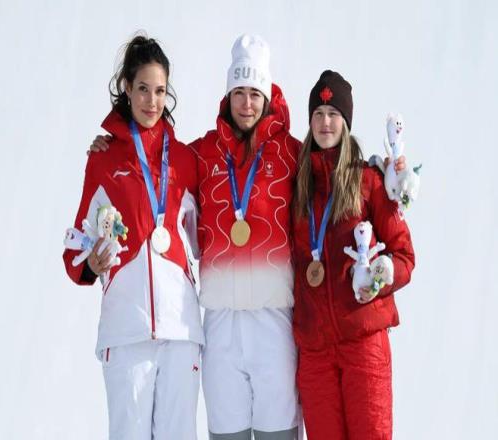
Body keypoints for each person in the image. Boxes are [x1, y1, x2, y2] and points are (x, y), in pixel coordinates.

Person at [63, 35, 204, 440]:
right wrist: (91, 265)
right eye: (143, 88)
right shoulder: (104, 158)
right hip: (126, 331)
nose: (152, 101)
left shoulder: (185, 160)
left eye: (160, 91)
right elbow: (75, 248)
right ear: (126, 87)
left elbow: (204, 240)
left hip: (180, 330)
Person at [291, 70, 415, 440]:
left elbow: (404, 255)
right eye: (318, 114)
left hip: (364, 345)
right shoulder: (297, 187)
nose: (325, 122)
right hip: (315, 353)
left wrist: (381, 276)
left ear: (346, 122)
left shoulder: (370, 180)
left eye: (333, 114)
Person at [190, 34, 301, 440]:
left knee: (279, 431)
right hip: (220, 320)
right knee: (227, 431)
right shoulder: (202, 153)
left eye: (255, 93)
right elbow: (157, 160)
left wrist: (380, 174)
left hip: (274, 318)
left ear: (267, 97)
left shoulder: (292, 154)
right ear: (228, 96)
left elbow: (334, 173)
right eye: (239, 92)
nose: (247, 104)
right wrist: (113, 145)